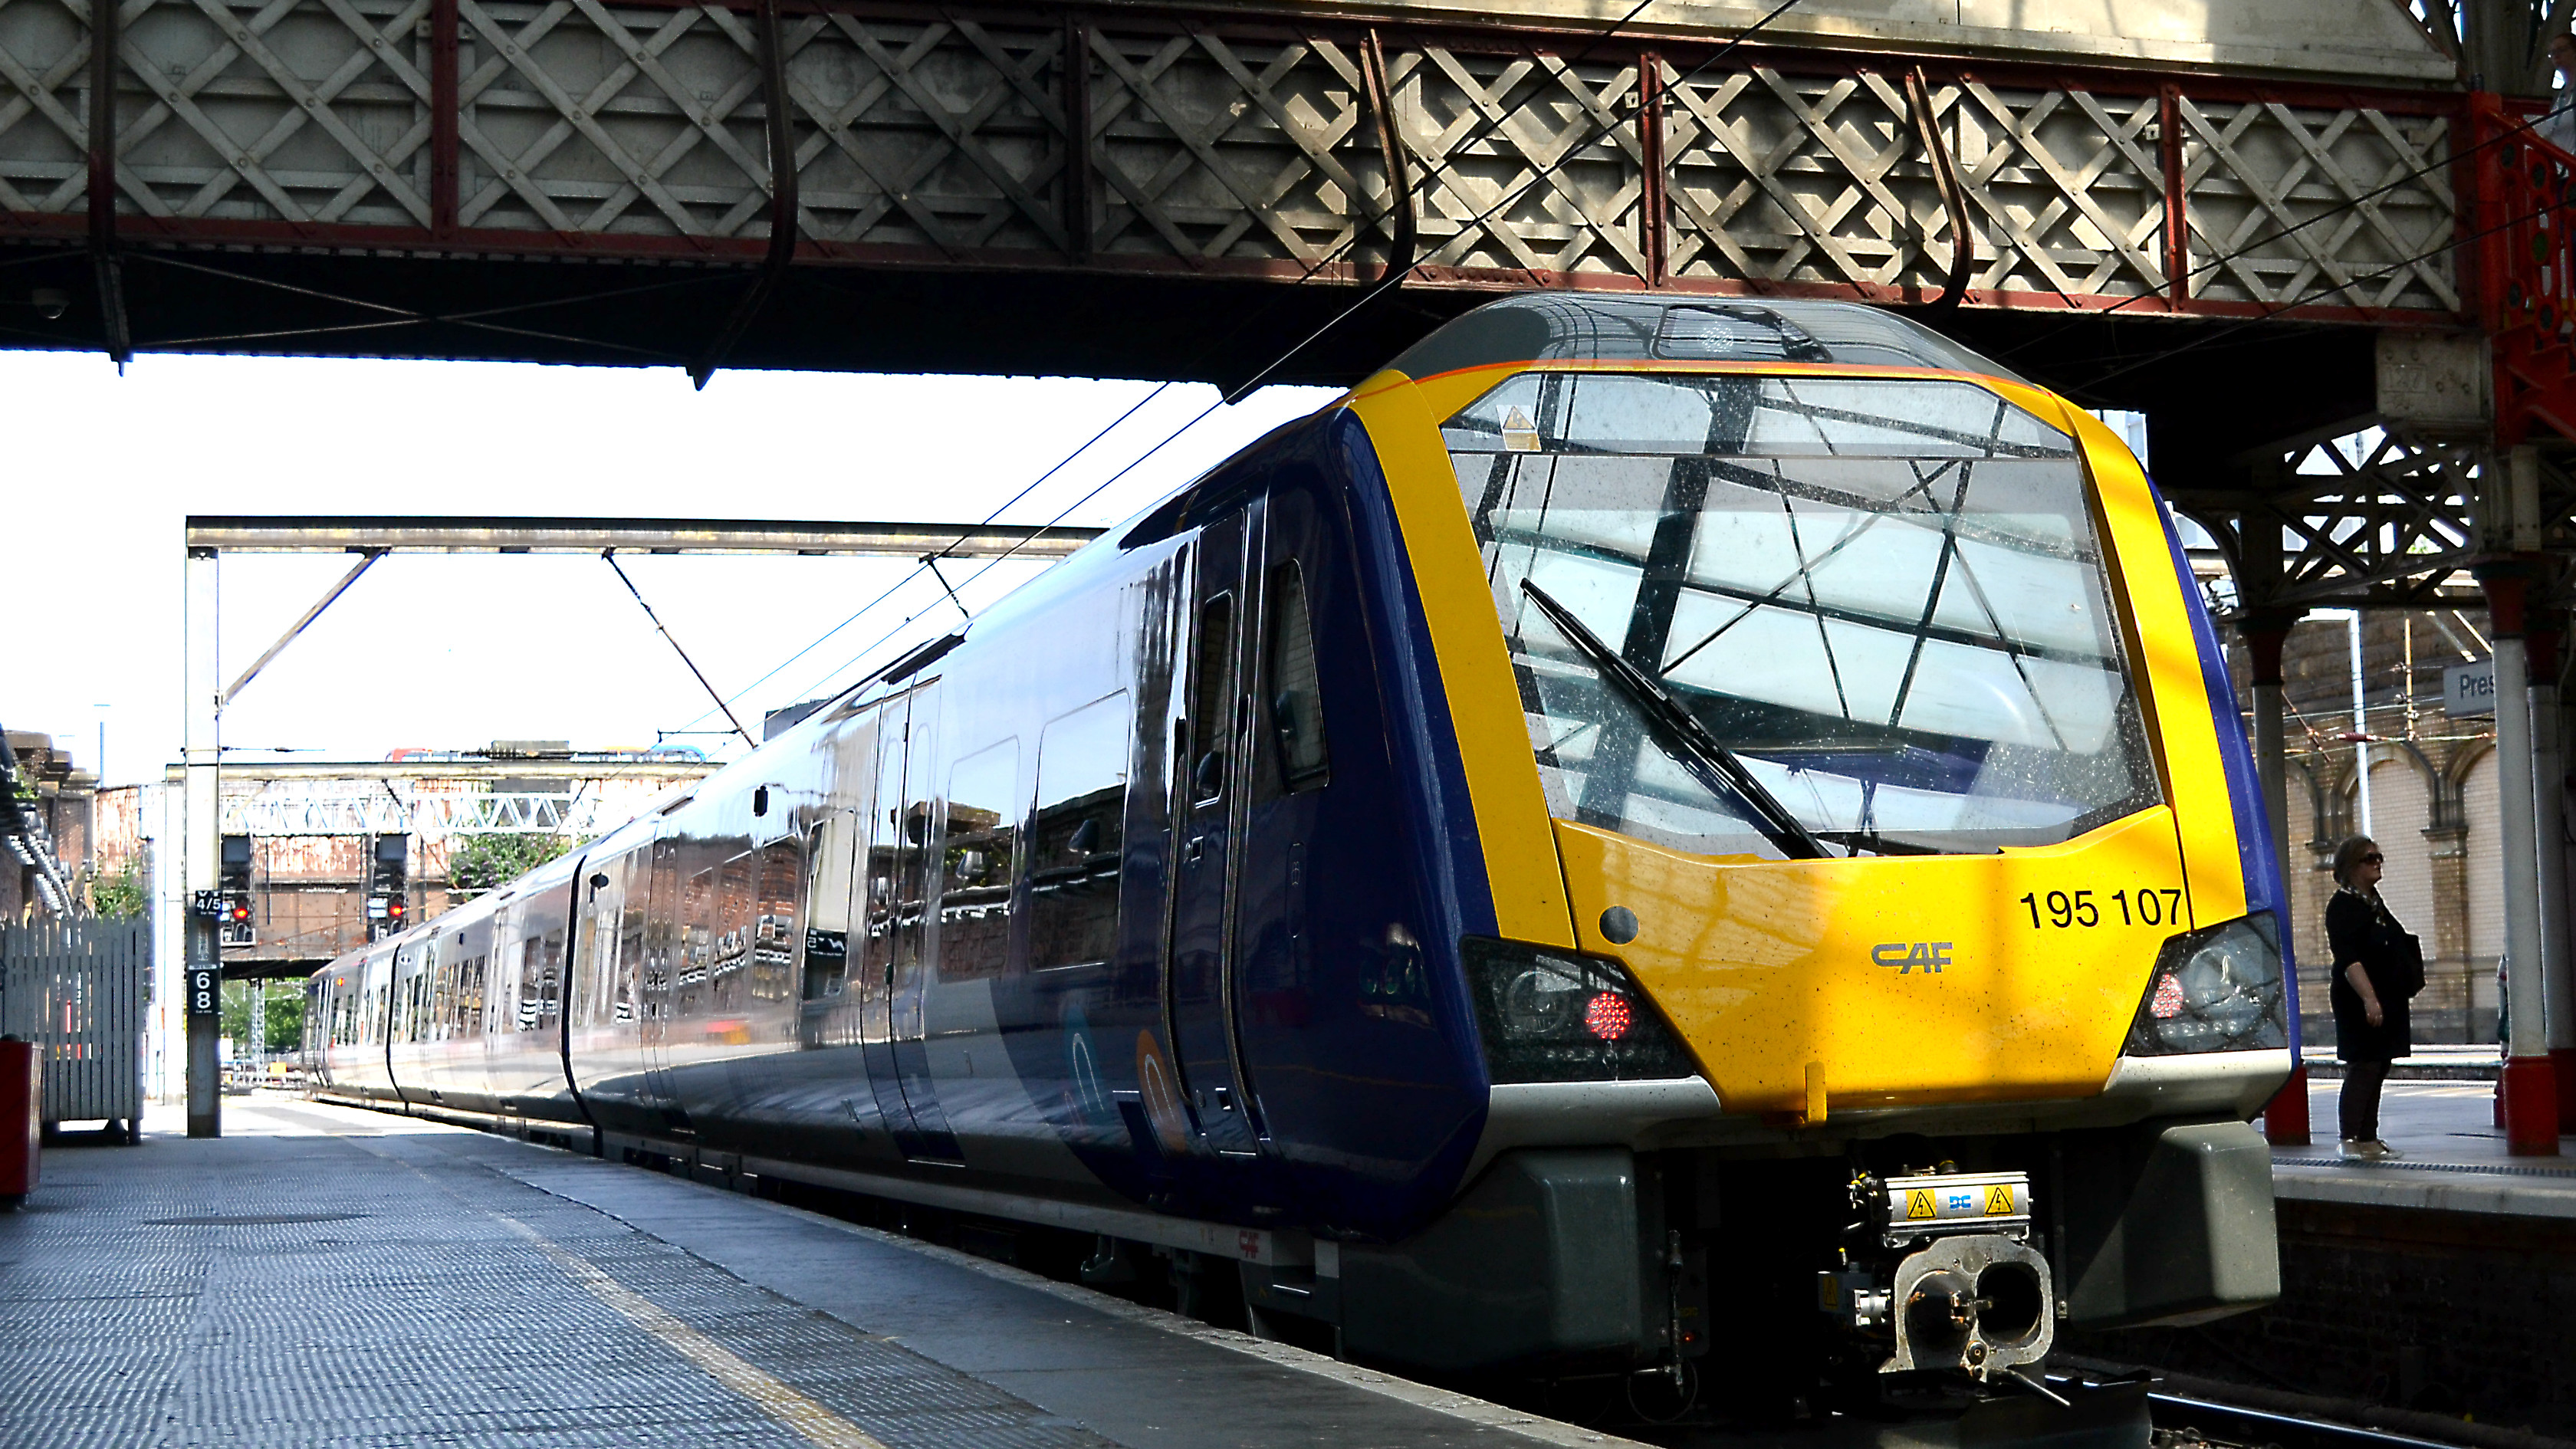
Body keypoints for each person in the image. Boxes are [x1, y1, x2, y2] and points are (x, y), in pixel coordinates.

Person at [2325, 835, 2424, 1160]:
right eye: (2370, 858)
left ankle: (2369, 1136)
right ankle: (2349, 1137)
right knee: (2363, 1064)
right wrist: (2369, 998)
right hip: (2359, 998)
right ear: (2351, 866)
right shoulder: (2342, 906)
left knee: (2380, 1064)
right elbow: (2348, 957)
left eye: (2379, 857)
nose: (2378, 862)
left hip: (2387, 996)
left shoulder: (2374, 903)